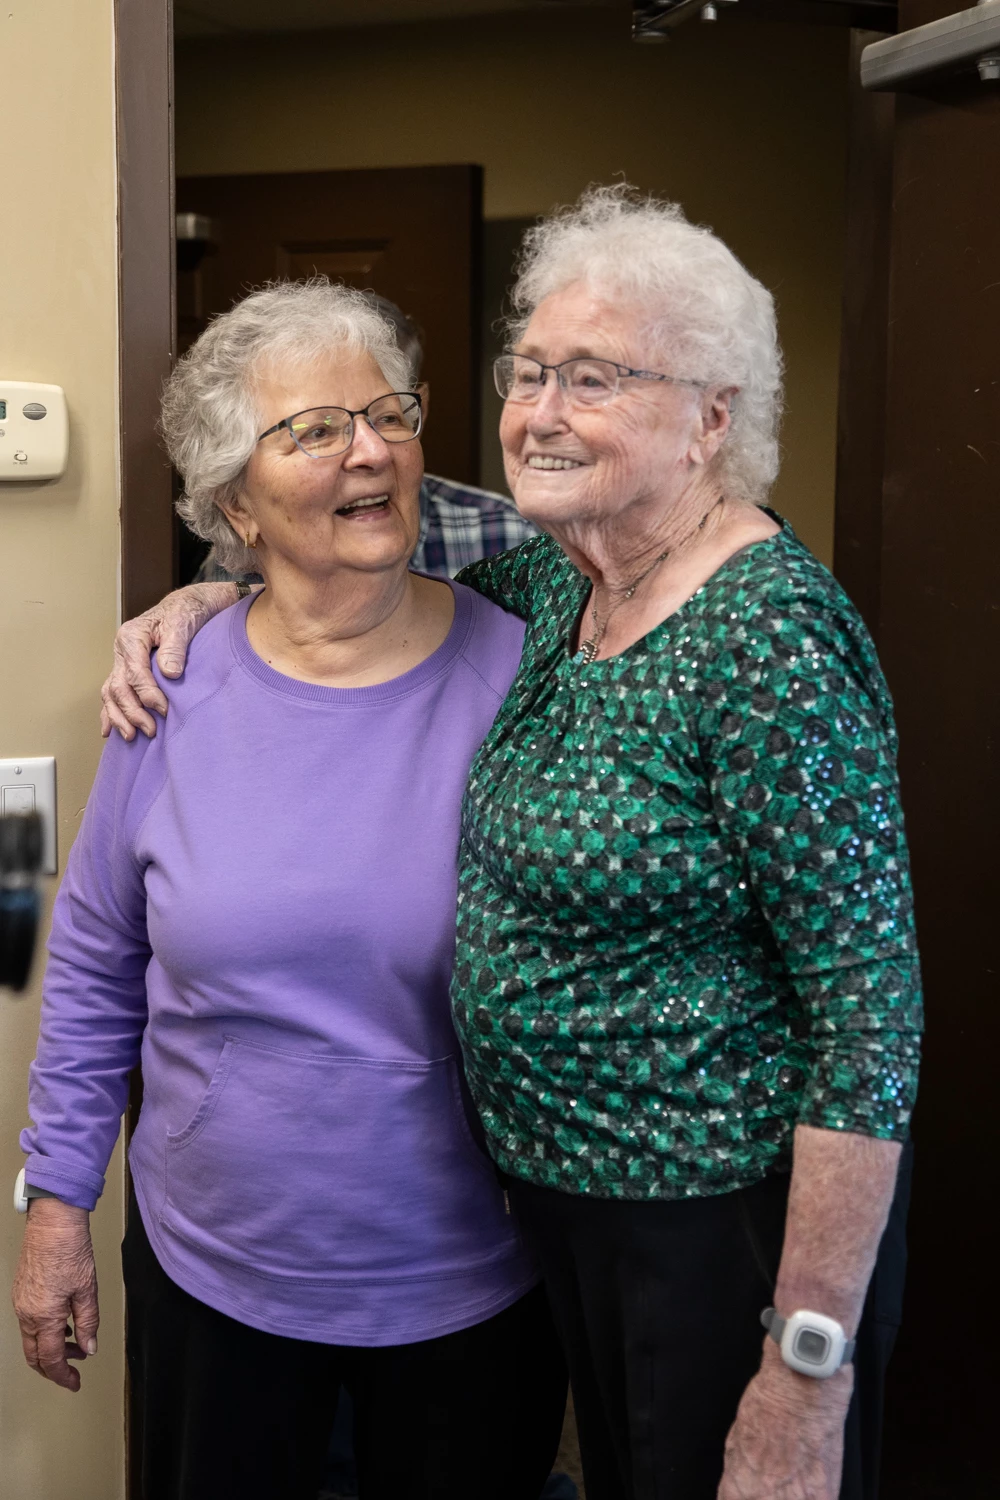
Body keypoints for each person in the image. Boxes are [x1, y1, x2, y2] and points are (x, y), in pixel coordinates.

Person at [96, 186, 922, 1500]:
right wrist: (214, 585)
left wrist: (806, 1358)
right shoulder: (555, 577)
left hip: (719, 1230)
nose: (538, 412)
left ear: (714, 417)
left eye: (593, 379)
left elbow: (871, 1018)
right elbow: (340, 523)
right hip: (560, 1227)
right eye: (527, 371)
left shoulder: (767, 638)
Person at [11, 281, 567, 1500]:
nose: (368, 449)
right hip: (211, 1271)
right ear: (233, 506)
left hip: (466, 1281)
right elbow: (99, 960)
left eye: (388, 413)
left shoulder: (528, 677)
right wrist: (57, 1206)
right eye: (313, 429)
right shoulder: (167, 686)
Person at [190, 293, 537, 589]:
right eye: (320, 431)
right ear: (237, 506)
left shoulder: (515, 539)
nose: (376, 451)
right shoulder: (223, 585)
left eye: (387, 417)